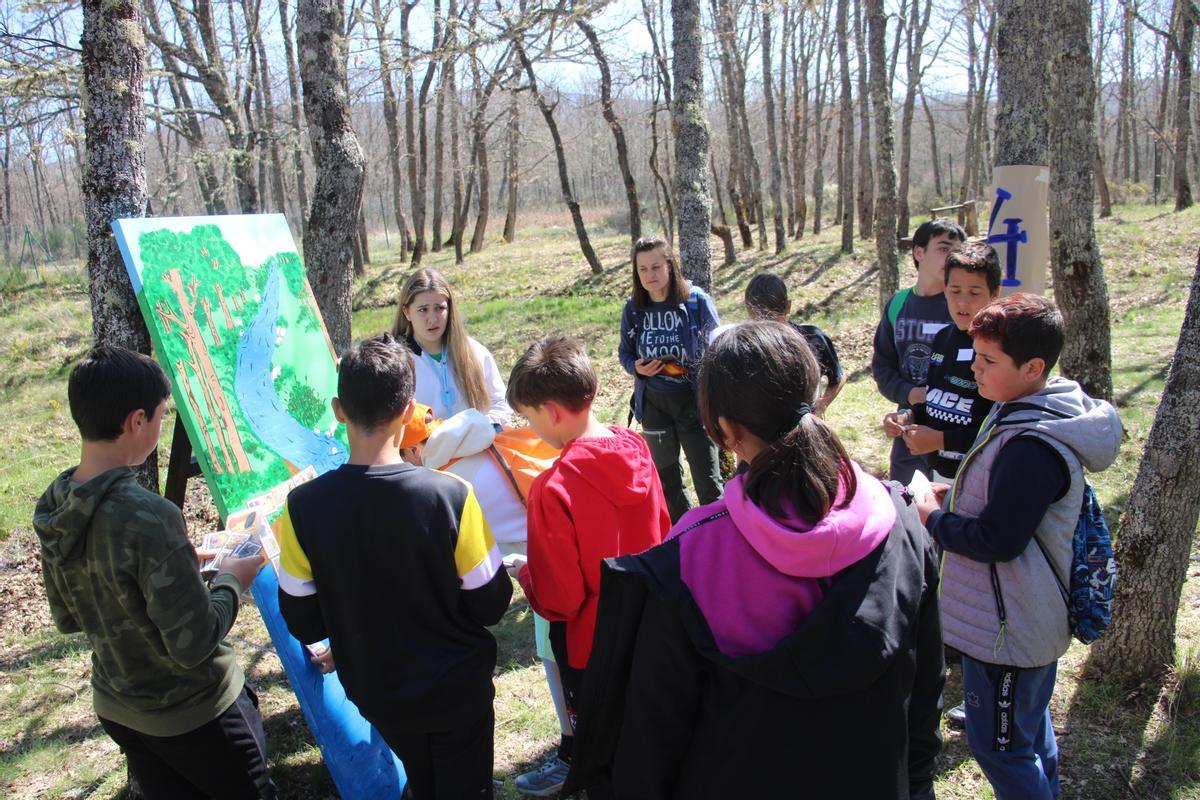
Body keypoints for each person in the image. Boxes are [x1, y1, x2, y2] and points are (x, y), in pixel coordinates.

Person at [566, 322, 944, 799]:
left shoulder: (687, 560)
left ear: (724, 430)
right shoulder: (901, 521)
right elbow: (926, 686)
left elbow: (652, 736)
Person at [277, 333, 512, 799]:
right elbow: (490, 602)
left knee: (421, 781)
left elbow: (303, 619)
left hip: (377, 692)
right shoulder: (450, 496)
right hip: (455, 693)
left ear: (338, 409)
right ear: (410, 411)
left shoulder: (301, 508)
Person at [33, 345, 272, 799]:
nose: (161, 429)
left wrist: (175, 569)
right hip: (195, 712)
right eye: (162, 417)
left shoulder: (55, 505)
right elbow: (194, 643)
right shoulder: (149, 516)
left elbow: (69, 617)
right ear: (136, 421)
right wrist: (232, 579)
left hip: (120, 706)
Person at [916, 295, 1122, 800]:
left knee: (1000, 749)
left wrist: (933, 517)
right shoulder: (1023, 411)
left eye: (988, 361)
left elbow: (998, 541)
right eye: (975, 356)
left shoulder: (1032, 444)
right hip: (1021, 618)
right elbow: (1008, 508)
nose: (976, 370)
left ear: (1032, 368)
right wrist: (959, 497)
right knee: (1030, 735)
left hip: (1009, 631)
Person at [398, 404, 577, 797]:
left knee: (559, 659)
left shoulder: (448, 481)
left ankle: (573, 754)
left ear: (413, 452)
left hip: (551, 563)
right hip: (561, 548)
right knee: (556, 655)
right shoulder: (476, 444)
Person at [507, 335, 670, 763]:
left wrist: (527, 574)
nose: (530, 429)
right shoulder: (637, 448)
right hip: (650, 629)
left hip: (591, 649)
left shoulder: (552, 487)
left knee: (605, 755)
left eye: (528, 418)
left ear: (552, 413)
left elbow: (561, 598)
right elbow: (663, 530)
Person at [619, 236, 722, 522]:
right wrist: (637, 368)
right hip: (654, 405)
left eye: (656, 267)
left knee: (707, 479)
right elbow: (625, 353)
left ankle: (719, 534)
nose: (649, 275)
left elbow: (719, 346)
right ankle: (685, 535)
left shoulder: (695, 301)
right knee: (667, 482)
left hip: (693, 404)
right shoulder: (633, 308)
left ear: (670, 265)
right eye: (642, 270)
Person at [884, 242, 1001, 483]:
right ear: (944, 289)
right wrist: (907, 416)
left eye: (975, 292)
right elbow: (934, 397)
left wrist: (941, 440)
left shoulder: (999, 349)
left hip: (980, 475)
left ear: (995, 293)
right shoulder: (942, 339)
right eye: (955, 290)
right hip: (937, 473)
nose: (963, 301)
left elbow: (998, 430)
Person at [872, 218, 966, 483]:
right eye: (944, 248)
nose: (952, 258)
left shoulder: (962, 305)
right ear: (919, 252)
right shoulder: (898, 304)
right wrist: (910, 394)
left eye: (958, 251)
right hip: (908, 429)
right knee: (906, 508)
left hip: (954, 431)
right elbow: (883, 366)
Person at [393, 267, 512, 424]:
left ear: (449, 308)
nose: (432, 319)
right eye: (423, 310)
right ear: (407, 312)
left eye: (439, 308)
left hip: (476, 445)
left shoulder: (475, 352)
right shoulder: (396, 363)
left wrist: (481, 429)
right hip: (425, 448)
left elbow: (501, 403)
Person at [743, 272, 846, 416]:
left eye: (773, 319)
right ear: (788, 306)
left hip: (809, 429)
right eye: (762, 320)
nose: (770, 328)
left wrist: (822, 403)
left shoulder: (813, 338)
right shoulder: (744, 349)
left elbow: (838, 376)